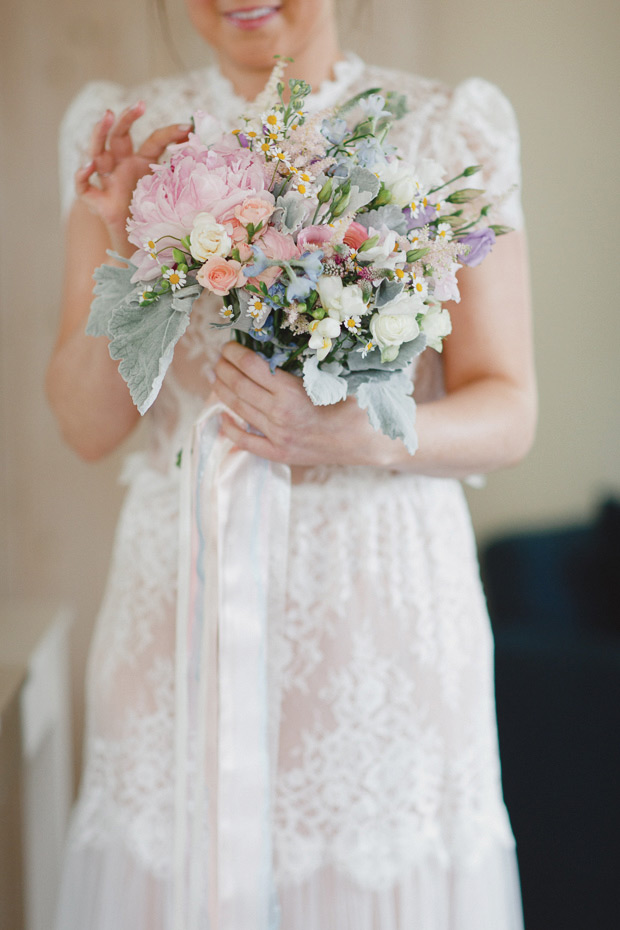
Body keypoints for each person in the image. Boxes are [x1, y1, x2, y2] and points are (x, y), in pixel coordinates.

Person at [48, 0, 537, 927]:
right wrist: (124, 242)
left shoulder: (448, 124)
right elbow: (85, 425)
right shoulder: (123, 132)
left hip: (381, 633)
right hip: (178, 625)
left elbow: (509, 410)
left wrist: (361, 436)